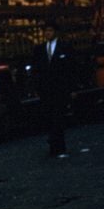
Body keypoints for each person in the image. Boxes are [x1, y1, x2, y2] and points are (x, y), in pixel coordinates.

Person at [31, 20, 73, 158]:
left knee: (58, 118)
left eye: (50, 31)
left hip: (60, 89)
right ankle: (54, 146)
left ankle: (59, 147)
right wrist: (37, 87)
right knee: (50, 118)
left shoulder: (65, 47)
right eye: (46, 31)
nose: (47, 33)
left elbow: (70, 69)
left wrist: (71, 88)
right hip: (46, 90)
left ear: (55, 32)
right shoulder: (39, 49)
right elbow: (36, 70)